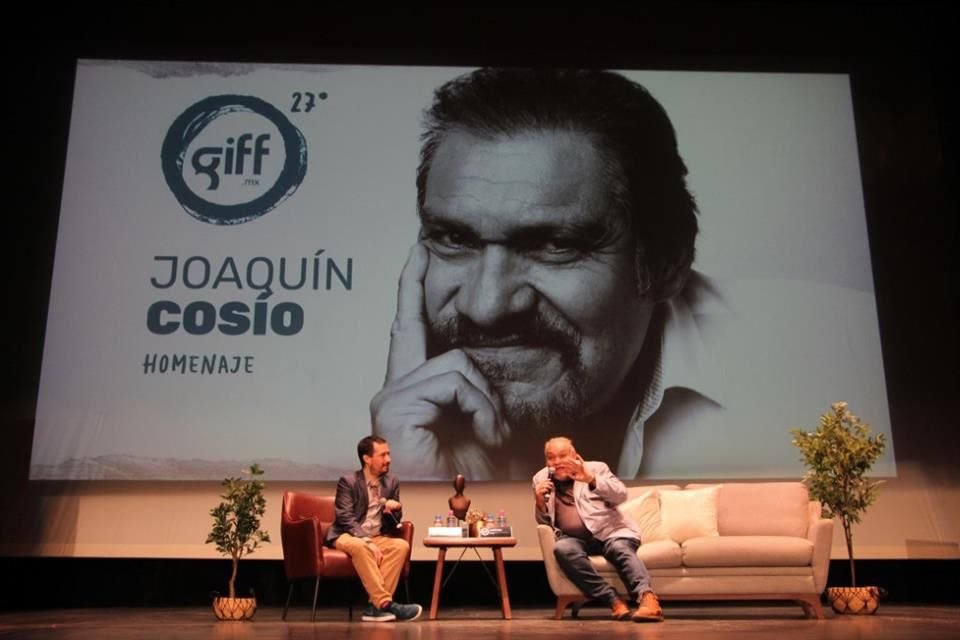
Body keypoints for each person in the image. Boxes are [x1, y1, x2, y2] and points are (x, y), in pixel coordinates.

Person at [370, 67, 893, 481]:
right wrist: (430, 486)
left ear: (665, 263)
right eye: (455, 240)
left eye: (555, 246)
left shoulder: (832, 361)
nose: (486, 306)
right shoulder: (404, 417)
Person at [533, 436, 663, 622]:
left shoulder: (596, 468)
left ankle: (647, 599)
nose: (557, 462)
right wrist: (539, 503)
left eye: (563, 456)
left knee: (620, 549)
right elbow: (544, 522)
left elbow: (620, 494)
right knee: (562, 549)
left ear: (575, 455)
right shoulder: (540, 478)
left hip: (610, 532)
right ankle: (613, 601)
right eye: (551, 457)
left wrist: (590, 479)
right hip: (573, 538)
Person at [325, 435, 423, 622]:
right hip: (347, 535)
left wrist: (395, 510)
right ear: (367, 458)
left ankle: (374, 607)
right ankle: (385, 604)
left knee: (401, 546)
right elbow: (345, 518)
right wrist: (367, 540)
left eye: (389, 454)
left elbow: (394, 523)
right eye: (383, 455)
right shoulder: (349, 482)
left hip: (378, 535)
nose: (389, 460)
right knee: (361, 547)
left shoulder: (391, 482)